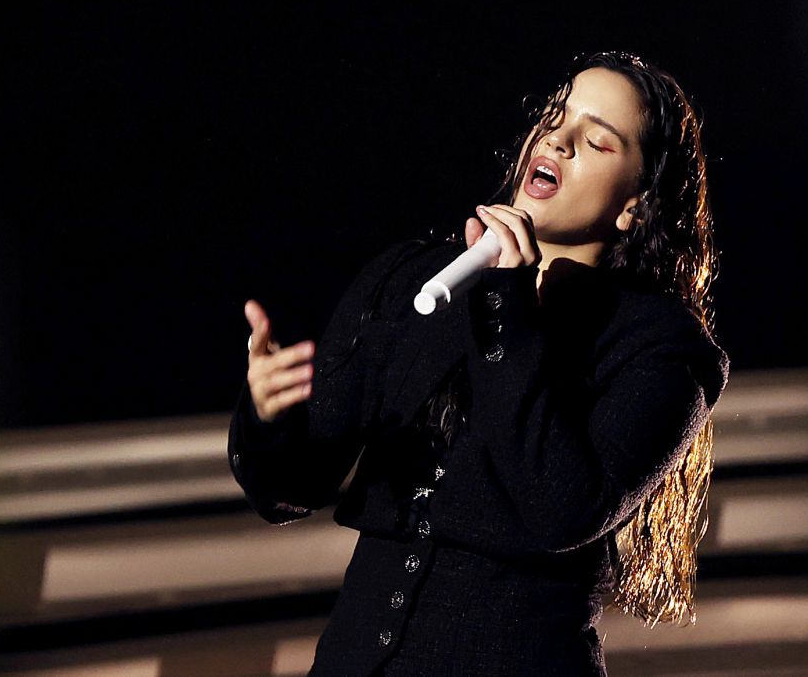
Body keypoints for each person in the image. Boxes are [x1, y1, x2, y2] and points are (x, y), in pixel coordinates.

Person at [229, 51, 727, 676]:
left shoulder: (660, 348)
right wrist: (271, 414)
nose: (561, 139)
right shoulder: (413, 280)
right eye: (556, 115)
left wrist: (506, 308)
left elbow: (561, 509)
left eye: (598, 142)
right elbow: (293, 489)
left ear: (635, 205)